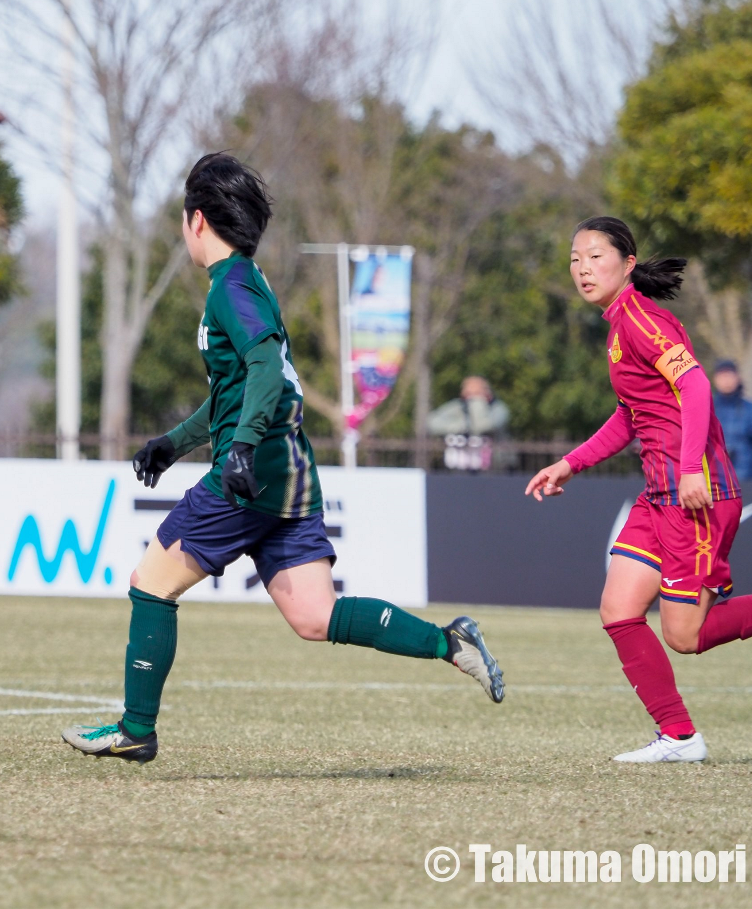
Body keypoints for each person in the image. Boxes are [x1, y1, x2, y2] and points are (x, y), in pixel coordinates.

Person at [62, 153, 505, 764]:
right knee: (314, 615)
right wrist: (175, 442)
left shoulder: (231, 289)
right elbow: (238, 389)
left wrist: (238, 448)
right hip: (288, 473)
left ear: (196, 221)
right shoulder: (248, 280)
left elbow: (267, 366)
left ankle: (137, 729)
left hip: (250, 474)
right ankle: (449, 643)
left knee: (149, 584)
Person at [525, 216, 752, 764]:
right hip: (659, 495)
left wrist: (691, 466)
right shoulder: (620, 325)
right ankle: (678, 736)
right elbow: (632, 414)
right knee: (618, 609)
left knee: (685, 635)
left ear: (627, 262)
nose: (582, 268)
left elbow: (694, 385)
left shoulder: (642, 320)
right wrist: (571, 464)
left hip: (696, 495)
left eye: (595, 256)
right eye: (575, 258)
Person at [427, 376, 510, 471]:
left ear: (487, 393)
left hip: (494, 468)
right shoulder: (457, 407)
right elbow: (432, 422)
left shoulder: (498, 409)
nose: (473, 398)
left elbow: (484, 426)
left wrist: (478, 403)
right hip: (458, 468)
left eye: (477, 393)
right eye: (470, 394)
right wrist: (461, 426)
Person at [711, 360, 752, 481]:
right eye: (722, 376)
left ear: (737, 378)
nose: (726, 380)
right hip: (714, 480)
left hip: (746, 479)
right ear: (715, 379)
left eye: (729, 375)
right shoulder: (707, 408)